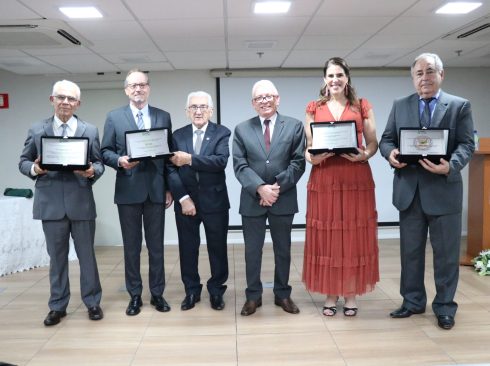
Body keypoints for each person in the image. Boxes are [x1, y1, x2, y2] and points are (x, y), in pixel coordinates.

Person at [379, 53, 475, 330]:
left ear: (441, 75)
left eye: (430, 71)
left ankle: (445, 307)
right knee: (410, 253)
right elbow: (387, 139)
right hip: (409, 192)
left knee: (446, 255)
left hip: (444, 192)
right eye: (419, 73)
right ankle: (412, 302)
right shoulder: (400, 105)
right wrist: (391, 154)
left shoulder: (459, 106)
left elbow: (467, 144)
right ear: (413, 78)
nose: (425, 78)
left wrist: (451, 166)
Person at [19, 80, 104, 326]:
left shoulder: (89, 130)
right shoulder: (37, 130)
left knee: (87, 256)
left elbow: (98, 164)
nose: (66, 102)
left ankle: (92, 302)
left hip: (81, 202)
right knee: (57, 258)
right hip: (51, 203)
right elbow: (23, 162)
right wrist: (36, 168)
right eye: (61, 97)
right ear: (52, 100)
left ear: (78, 103)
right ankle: (57, 306)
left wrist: (91, 172)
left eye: (71, 99)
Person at [302, 57, 380, 317]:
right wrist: (310, 156)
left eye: (339, 75)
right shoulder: (313, 107)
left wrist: (364, 155)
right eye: (330, 75)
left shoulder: (362, 106)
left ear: (347, 77)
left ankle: (350, 294)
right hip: (325, 178)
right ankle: (330, 293)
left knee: (352, 236)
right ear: (324, 79)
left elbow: (373, 143)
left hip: (354, 176)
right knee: (328, 237)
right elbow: (309, 146)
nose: (335, 79)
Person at [101, 69, 173, 316]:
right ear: (126, 90)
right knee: (131, 247)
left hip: (155, 191)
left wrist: (168, 189)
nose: (138, 89)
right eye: (133, 86)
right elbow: (105, 151)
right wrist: (119, 160)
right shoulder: (114, 117)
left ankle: (157, 294)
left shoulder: (163, 116)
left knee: (156, 247)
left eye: (142, 85)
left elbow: (168, 156)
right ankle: (134, 295)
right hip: (128, 191)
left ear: (149, 88)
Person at [233, 80, 305, 316]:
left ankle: (282, 294)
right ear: (253, 104)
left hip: (282, 199)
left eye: (268, 96)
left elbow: (298, 162)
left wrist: (275, 189)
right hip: (252, 200)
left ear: (277, 98)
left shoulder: (294, 126)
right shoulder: (242, 129)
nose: (263, 101)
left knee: (282, 250)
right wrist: (260, 188)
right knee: (252, 251)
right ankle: (253, 297)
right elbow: (240, 165)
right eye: (258, 98)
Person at [168, 91, 230, 311]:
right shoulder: (177, 136)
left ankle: (216, 290)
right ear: (187, 111)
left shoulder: (222, 133)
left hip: (215, 201)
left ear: (211, 111)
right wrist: (183, 198)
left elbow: (219, 161)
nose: (198, 111)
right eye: (193, 107)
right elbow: (170, 170)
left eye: (203, 106)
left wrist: (190, 159)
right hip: (186, 202)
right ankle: (192, 290)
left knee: (217, 248)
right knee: (187, 248)